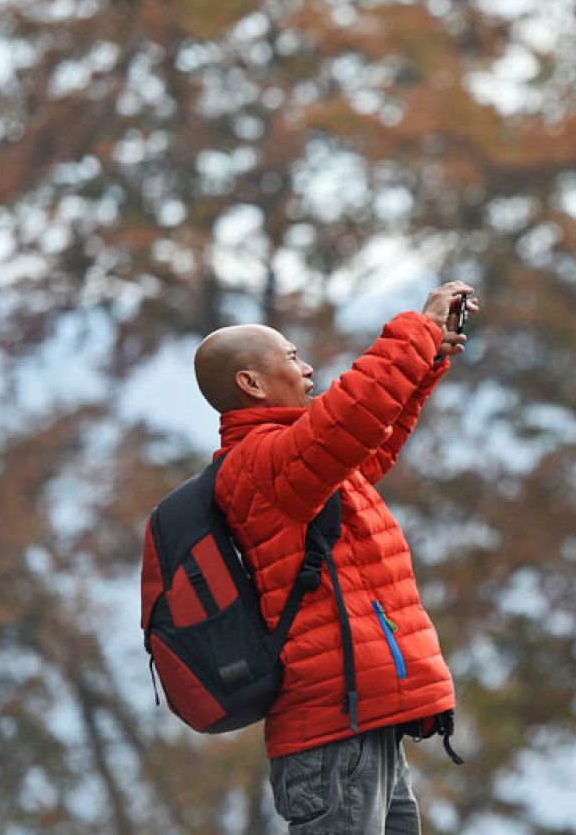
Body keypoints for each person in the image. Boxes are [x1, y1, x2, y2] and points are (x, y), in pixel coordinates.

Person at [191, 280, 478, 834]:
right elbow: (350, 416)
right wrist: (416, 331)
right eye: (292, 356)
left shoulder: (297, 461)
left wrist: (421, 370)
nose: (306, 367)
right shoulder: (262, 463)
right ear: (250, 382)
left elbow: (368, 442)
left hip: (359, 721)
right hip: (329, 732)